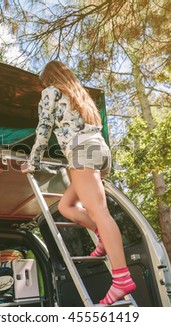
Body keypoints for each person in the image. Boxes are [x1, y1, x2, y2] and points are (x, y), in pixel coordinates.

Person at [21, 61, 136, 305]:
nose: (45, 86)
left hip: (82, 153)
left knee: (101, 213)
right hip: (100, 152)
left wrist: (33, 162)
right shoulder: (80, 96)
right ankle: (101, 235)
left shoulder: (51, 92)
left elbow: (44, 128)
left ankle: (121, 278)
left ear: (49, 79)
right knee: (66, 206)